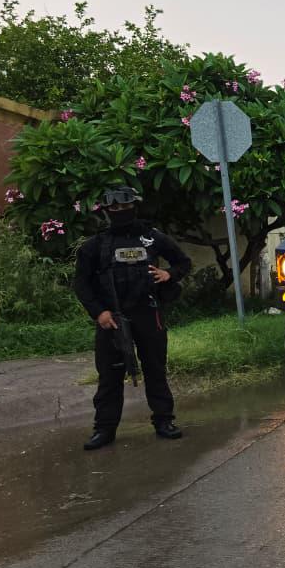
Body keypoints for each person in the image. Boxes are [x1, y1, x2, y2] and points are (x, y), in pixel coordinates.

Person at [73, 186, 193, 450]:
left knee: (155, 370)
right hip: (111, 319)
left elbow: (183, 262)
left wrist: (169, 275)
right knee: (109, 376)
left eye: (124, 207)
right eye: (113, 209)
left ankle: (164, 421)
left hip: (148, 313)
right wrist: (99, 312)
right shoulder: (96, 245)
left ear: (134, 207)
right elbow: (81, 284)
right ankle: (104, 429)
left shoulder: (152, 238)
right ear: (106, 211)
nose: (119, 212)